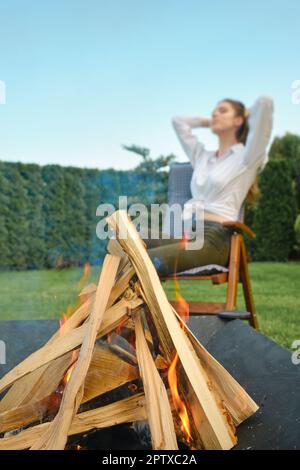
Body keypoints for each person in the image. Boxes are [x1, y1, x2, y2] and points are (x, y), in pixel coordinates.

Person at [144, 96, 274, 277]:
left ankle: (126, 303)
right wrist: (209, 122)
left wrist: (244, 114)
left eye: (223, 111)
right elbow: (178, 121)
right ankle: (113, 303)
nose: (215, 113)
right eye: (214, 111)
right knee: (125, 240)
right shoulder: (202, 158)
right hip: (191, 236)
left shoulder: (247, 157)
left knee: (145, 260)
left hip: (215, 240)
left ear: (238, 120)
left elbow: (265, 103)